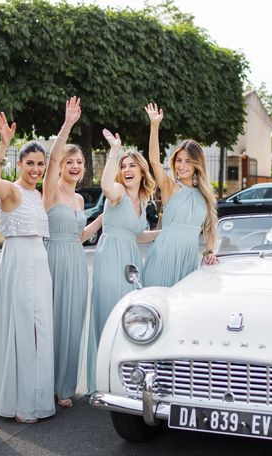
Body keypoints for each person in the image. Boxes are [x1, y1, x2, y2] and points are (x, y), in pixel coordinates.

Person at [0, 113, 56, 423]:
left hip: (39, 262)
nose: (35, 169)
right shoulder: (11, 191)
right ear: (20, 164)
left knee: (40, 329)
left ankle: (37, 397)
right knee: (23, 329)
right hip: (18, 261)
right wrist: (3, 145)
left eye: (40, 164)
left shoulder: (38, 195)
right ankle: (22, 403)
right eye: (30, 163)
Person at [86, 129, 157, 393]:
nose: (127, 170)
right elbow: (105, 184)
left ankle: (125, 377)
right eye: (123, 166)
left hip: (130, 261)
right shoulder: (116, 192)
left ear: (141, 171)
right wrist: (114, 150)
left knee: (129, 318)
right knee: (109, 314)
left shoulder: (143, 199)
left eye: (132, 166)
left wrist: (165, 233)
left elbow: (137, 235)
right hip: (110, 259)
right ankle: (104, 380)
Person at [43, 97, 102, 407]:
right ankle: (45, 384)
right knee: (51, 320)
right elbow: (51, 160)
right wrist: (67, 125)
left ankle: (64, 385)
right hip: (52, 259)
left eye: (79, 162)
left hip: (76, 261)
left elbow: (80, 236)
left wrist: (104, 217)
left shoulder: (80, 201)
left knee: (72, 321)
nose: (76, 167)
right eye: (70, 162)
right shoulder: (50, 191)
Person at [142, 103, 218, 287]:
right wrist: (154, 126)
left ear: (196, 164)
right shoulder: (170, 186)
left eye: (188, 162)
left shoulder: (205, 195)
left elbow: (209, 227)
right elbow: (154, 160)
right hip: (163, 254)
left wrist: (209, 252)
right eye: (179, 160)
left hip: (188, 258)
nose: (181, 166)